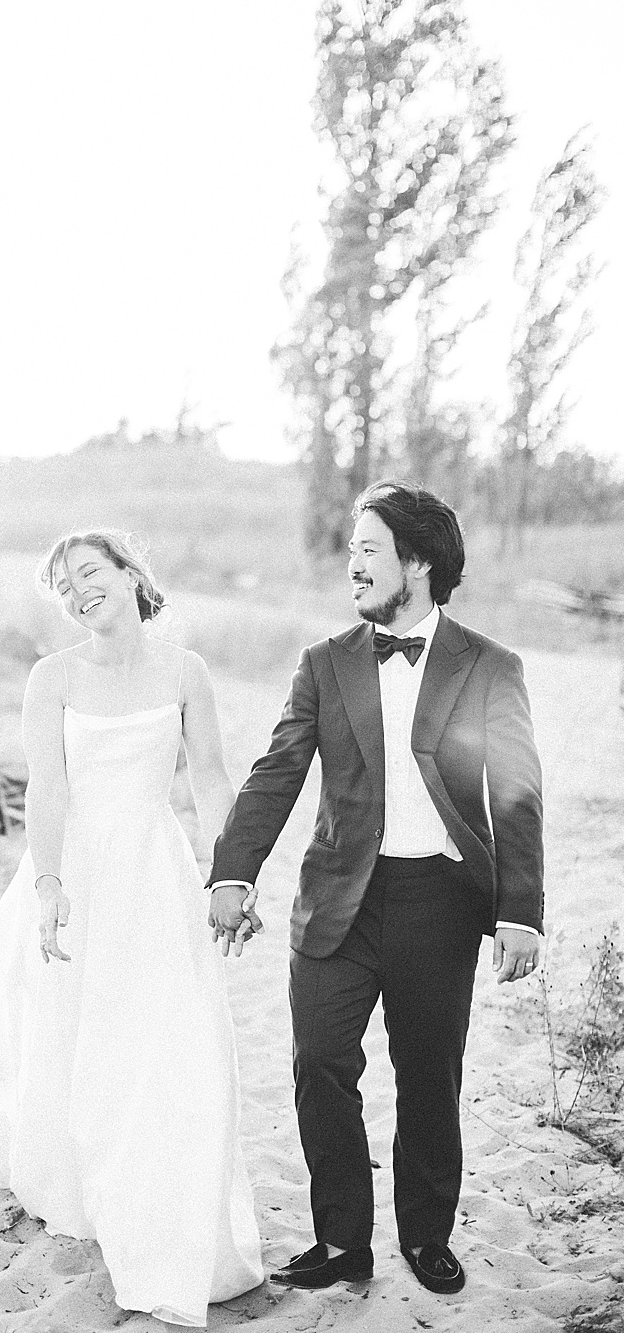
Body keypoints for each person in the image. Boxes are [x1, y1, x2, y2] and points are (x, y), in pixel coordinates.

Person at [208, 481, 544, 1297]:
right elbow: (278, 771)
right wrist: (232, 868)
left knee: (430, 1074)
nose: (350, 565)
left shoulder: (491, 666)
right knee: (320, 1064)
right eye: (351, 549)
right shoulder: (324, 665)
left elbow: (517, 793)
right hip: (336, 904)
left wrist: (520, 913)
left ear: (418, 563)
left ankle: (427, 1235)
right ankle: (341, 1243)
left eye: (368, 550)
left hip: (441, 902)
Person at [0, 530, 264, 1328]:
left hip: (155, 872)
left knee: (166, 1035)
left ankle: (164, 1195)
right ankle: (80, 1187)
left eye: (90, 572)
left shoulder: (186, 671)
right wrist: (49, 884)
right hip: (77, 871)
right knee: (72, 1032)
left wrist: (231, 870)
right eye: (62, 585)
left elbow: (213, 779)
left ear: (130, 575)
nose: (77, 590)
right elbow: (47, 788)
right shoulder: (51, 678)